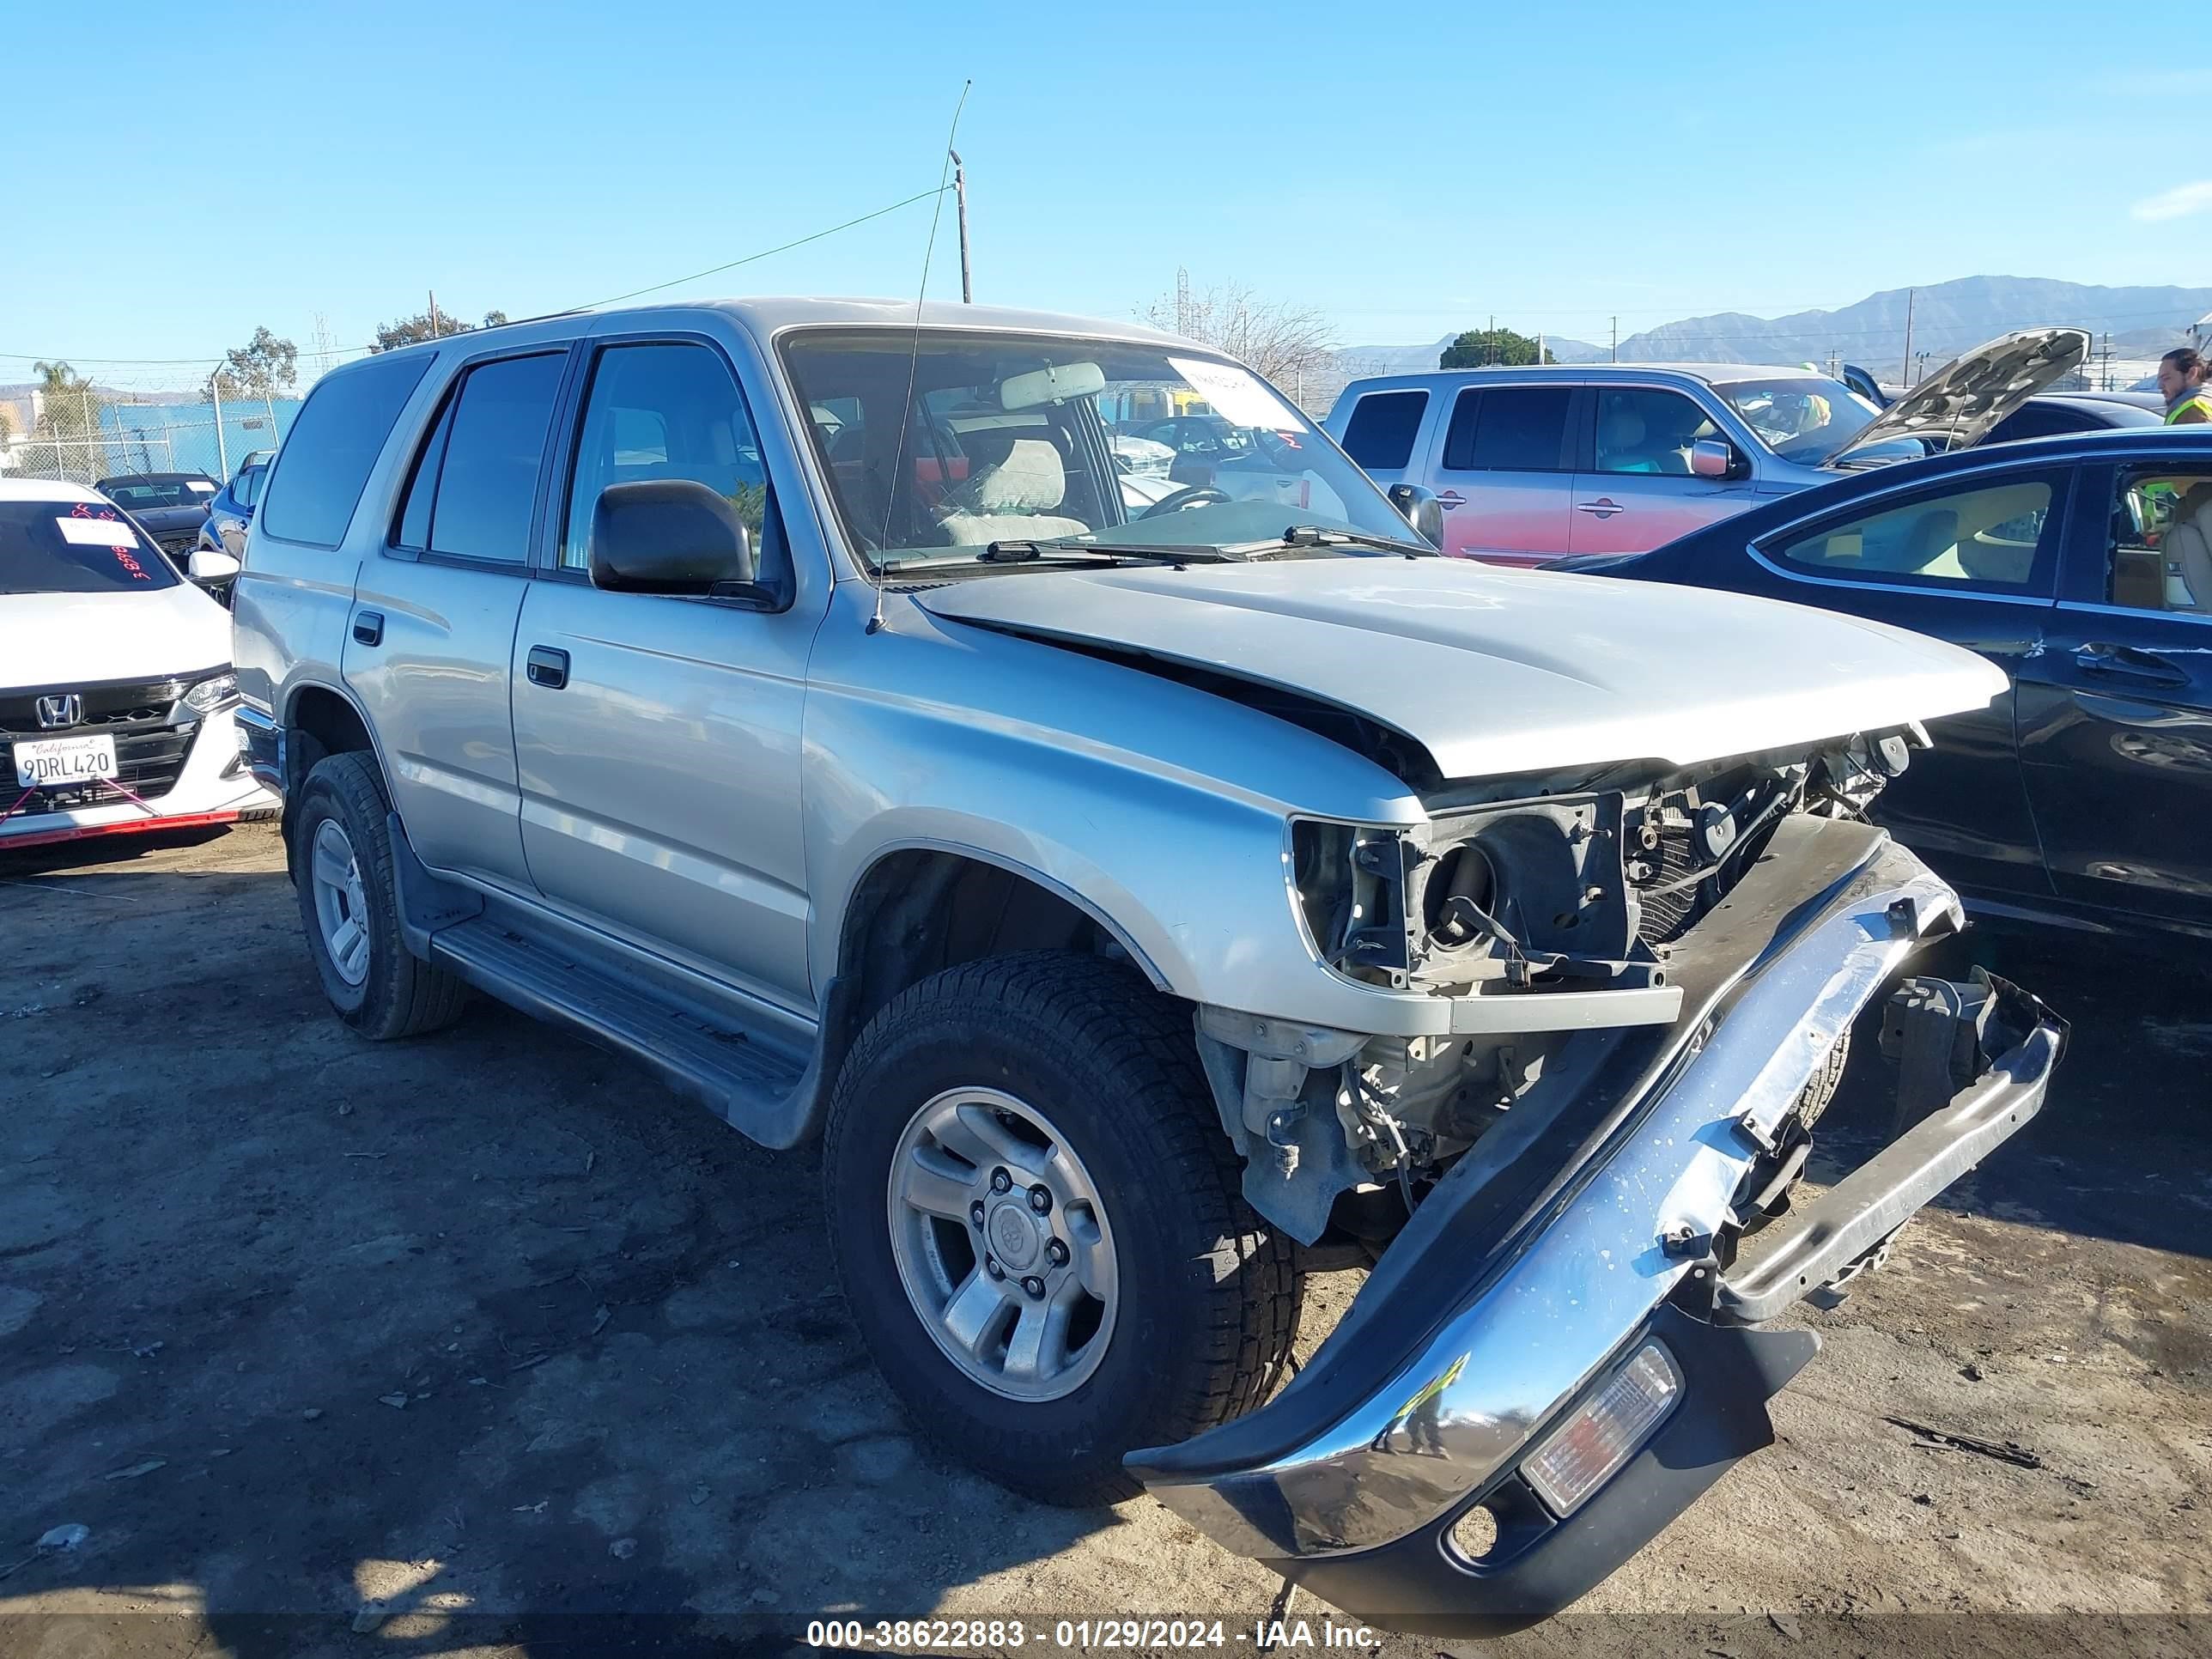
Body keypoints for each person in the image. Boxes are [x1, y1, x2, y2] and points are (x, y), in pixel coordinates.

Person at [2159, 348, 2212, 425]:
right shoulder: (2206, 401)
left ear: (2192, 373)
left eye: (2166, 378)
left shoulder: (2194, 409)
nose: (2160, 386)